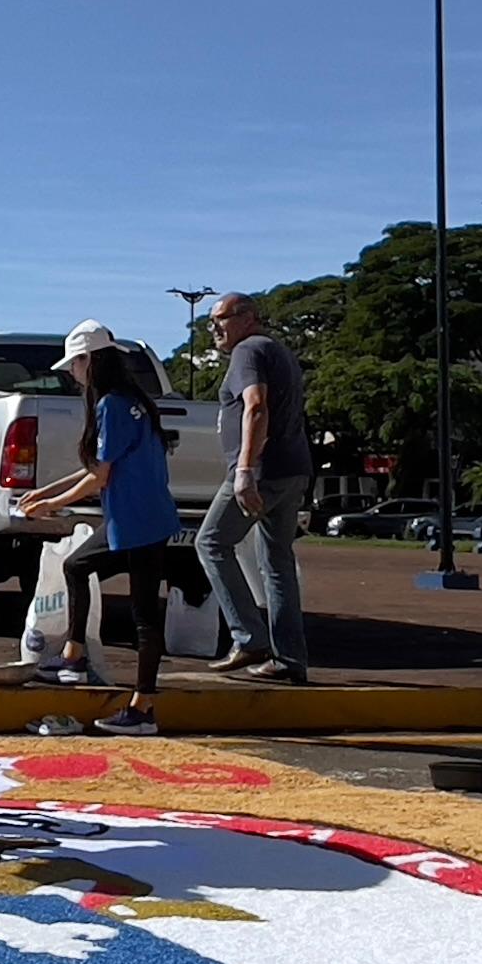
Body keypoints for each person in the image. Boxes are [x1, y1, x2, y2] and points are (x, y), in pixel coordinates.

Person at [6, 329, 181, 735]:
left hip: (136, 520)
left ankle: (138, 704)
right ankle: (77, 659)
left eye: (74, 363)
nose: (72, 372)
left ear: (91, 360)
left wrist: (50, 505)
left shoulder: (111, 405)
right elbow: (100, 467)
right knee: (80, 569)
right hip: (147, 516)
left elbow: (100, 476)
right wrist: (45, 493)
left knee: (140, 613)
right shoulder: (134, 401)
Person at [196, 292, 315, 682]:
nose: (214, 327)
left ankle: (249, 638)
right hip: (292, 469)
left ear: (247, 317)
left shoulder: (247, 351)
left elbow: (256, 405)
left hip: (262, 472)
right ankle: (289, 660)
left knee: (211, 543)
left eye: (221, 318)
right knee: (276, 563)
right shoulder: (277, 351)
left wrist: (245, 469)